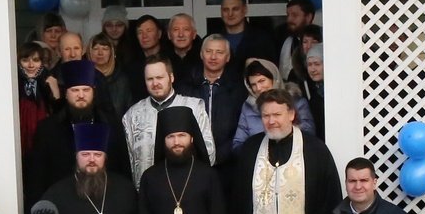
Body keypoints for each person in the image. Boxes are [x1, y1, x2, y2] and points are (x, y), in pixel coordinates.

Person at [230, 89, 340, 214]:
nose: (271, 121)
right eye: (266, 115)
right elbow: (238, 204)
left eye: (277, 114)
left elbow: (329, 201)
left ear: (291, 114)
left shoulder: (315, 151)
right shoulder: (250, 150)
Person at [137, 105, 233, 214]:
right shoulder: (150, 177)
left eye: (182, 135)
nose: (176, 142)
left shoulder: (208, 175)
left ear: (192, 138)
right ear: (163, 140)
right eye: (170, 137)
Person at [28, 61, 132, 200]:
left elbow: (123, 167)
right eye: (75, 90)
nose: (81, 95)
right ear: (66, 93)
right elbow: (37, 174)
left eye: (86, 90)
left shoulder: (111, 125)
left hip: (105, 201)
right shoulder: (48, 129)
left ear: (93, 92)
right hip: (62, 201)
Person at [123, 55, 214, 181]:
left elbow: (208, 153)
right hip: (148, 190)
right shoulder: (132, 115)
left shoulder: (194, 107)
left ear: (171, 77)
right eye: (150, 79)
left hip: (187, 187)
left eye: (160, 77)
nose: (155, 83)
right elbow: (130, 161)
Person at [183, 35, 248, 166]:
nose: (213, 57)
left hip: (229, 162)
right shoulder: (186, 86)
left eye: (219, 52)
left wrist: (224, 154)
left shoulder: (239, 89)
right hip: (194, 161)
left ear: (228, 57)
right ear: (201, 54)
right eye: (208, 51)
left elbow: (242, 127)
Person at [232, 57, 317, 149]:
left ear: (274, 77)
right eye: (253, 84)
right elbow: (238, 143)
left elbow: (309, 134)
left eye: (262, 81)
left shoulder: (296, 102)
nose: (259, 88)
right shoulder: (248, 107)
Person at [216, 0, 282, 68]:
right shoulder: (212, 39)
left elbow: (272, 71)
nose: (230, 14)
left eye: (235, 9)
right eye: (226, 10)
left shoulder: (262, 39)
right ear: (221, 12)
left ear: (245, 10)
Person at [88, 32, 136, 119]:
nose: (100, 53)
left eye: (105, 49)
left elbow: (129, 111)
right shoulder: (85, 79)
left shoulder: (122, 80)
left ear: (112, 52)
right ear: (89, 52)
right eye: (95, 49)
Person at [277, 0, 318, 84]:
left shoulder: (321, 38)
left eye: (294, 15)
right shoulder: (281, 38)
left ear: (308, 17)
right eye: (288, 15)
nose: (289, 19)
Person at [164, 12, 202, 86]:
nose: (181, 34)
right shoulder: (162, 59)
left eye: (186, 29)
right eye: (176, 29)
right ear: (169, 35)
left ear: (194, 34)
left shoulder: (204, 57)